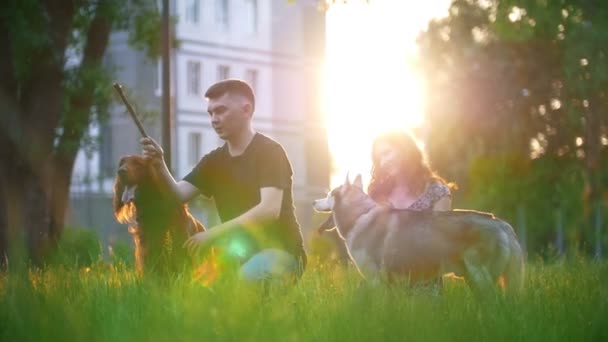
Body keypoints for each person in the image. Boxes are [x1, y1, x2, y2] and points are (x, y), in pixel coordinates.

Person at [140, 79, 306, 282]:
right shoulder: (214, 161)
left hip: (282, 253)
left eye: (220, 111)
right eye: (210, 113)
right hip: (240, 254)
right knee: (201, 292)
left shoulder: (270, 152)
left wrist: (211, 235)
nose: (214, 119)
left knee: (242, 284)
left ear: (246, 110)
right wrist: (159, 164)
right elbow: (177, 194)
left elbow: (268, 210)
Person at [368, 131, 453, 211]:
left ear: (405, 149)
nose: (383, 163)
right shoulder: (379, 194)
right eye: (379, 159)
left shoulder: (437, 192)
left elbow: (440, 226)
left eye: (387, 153)